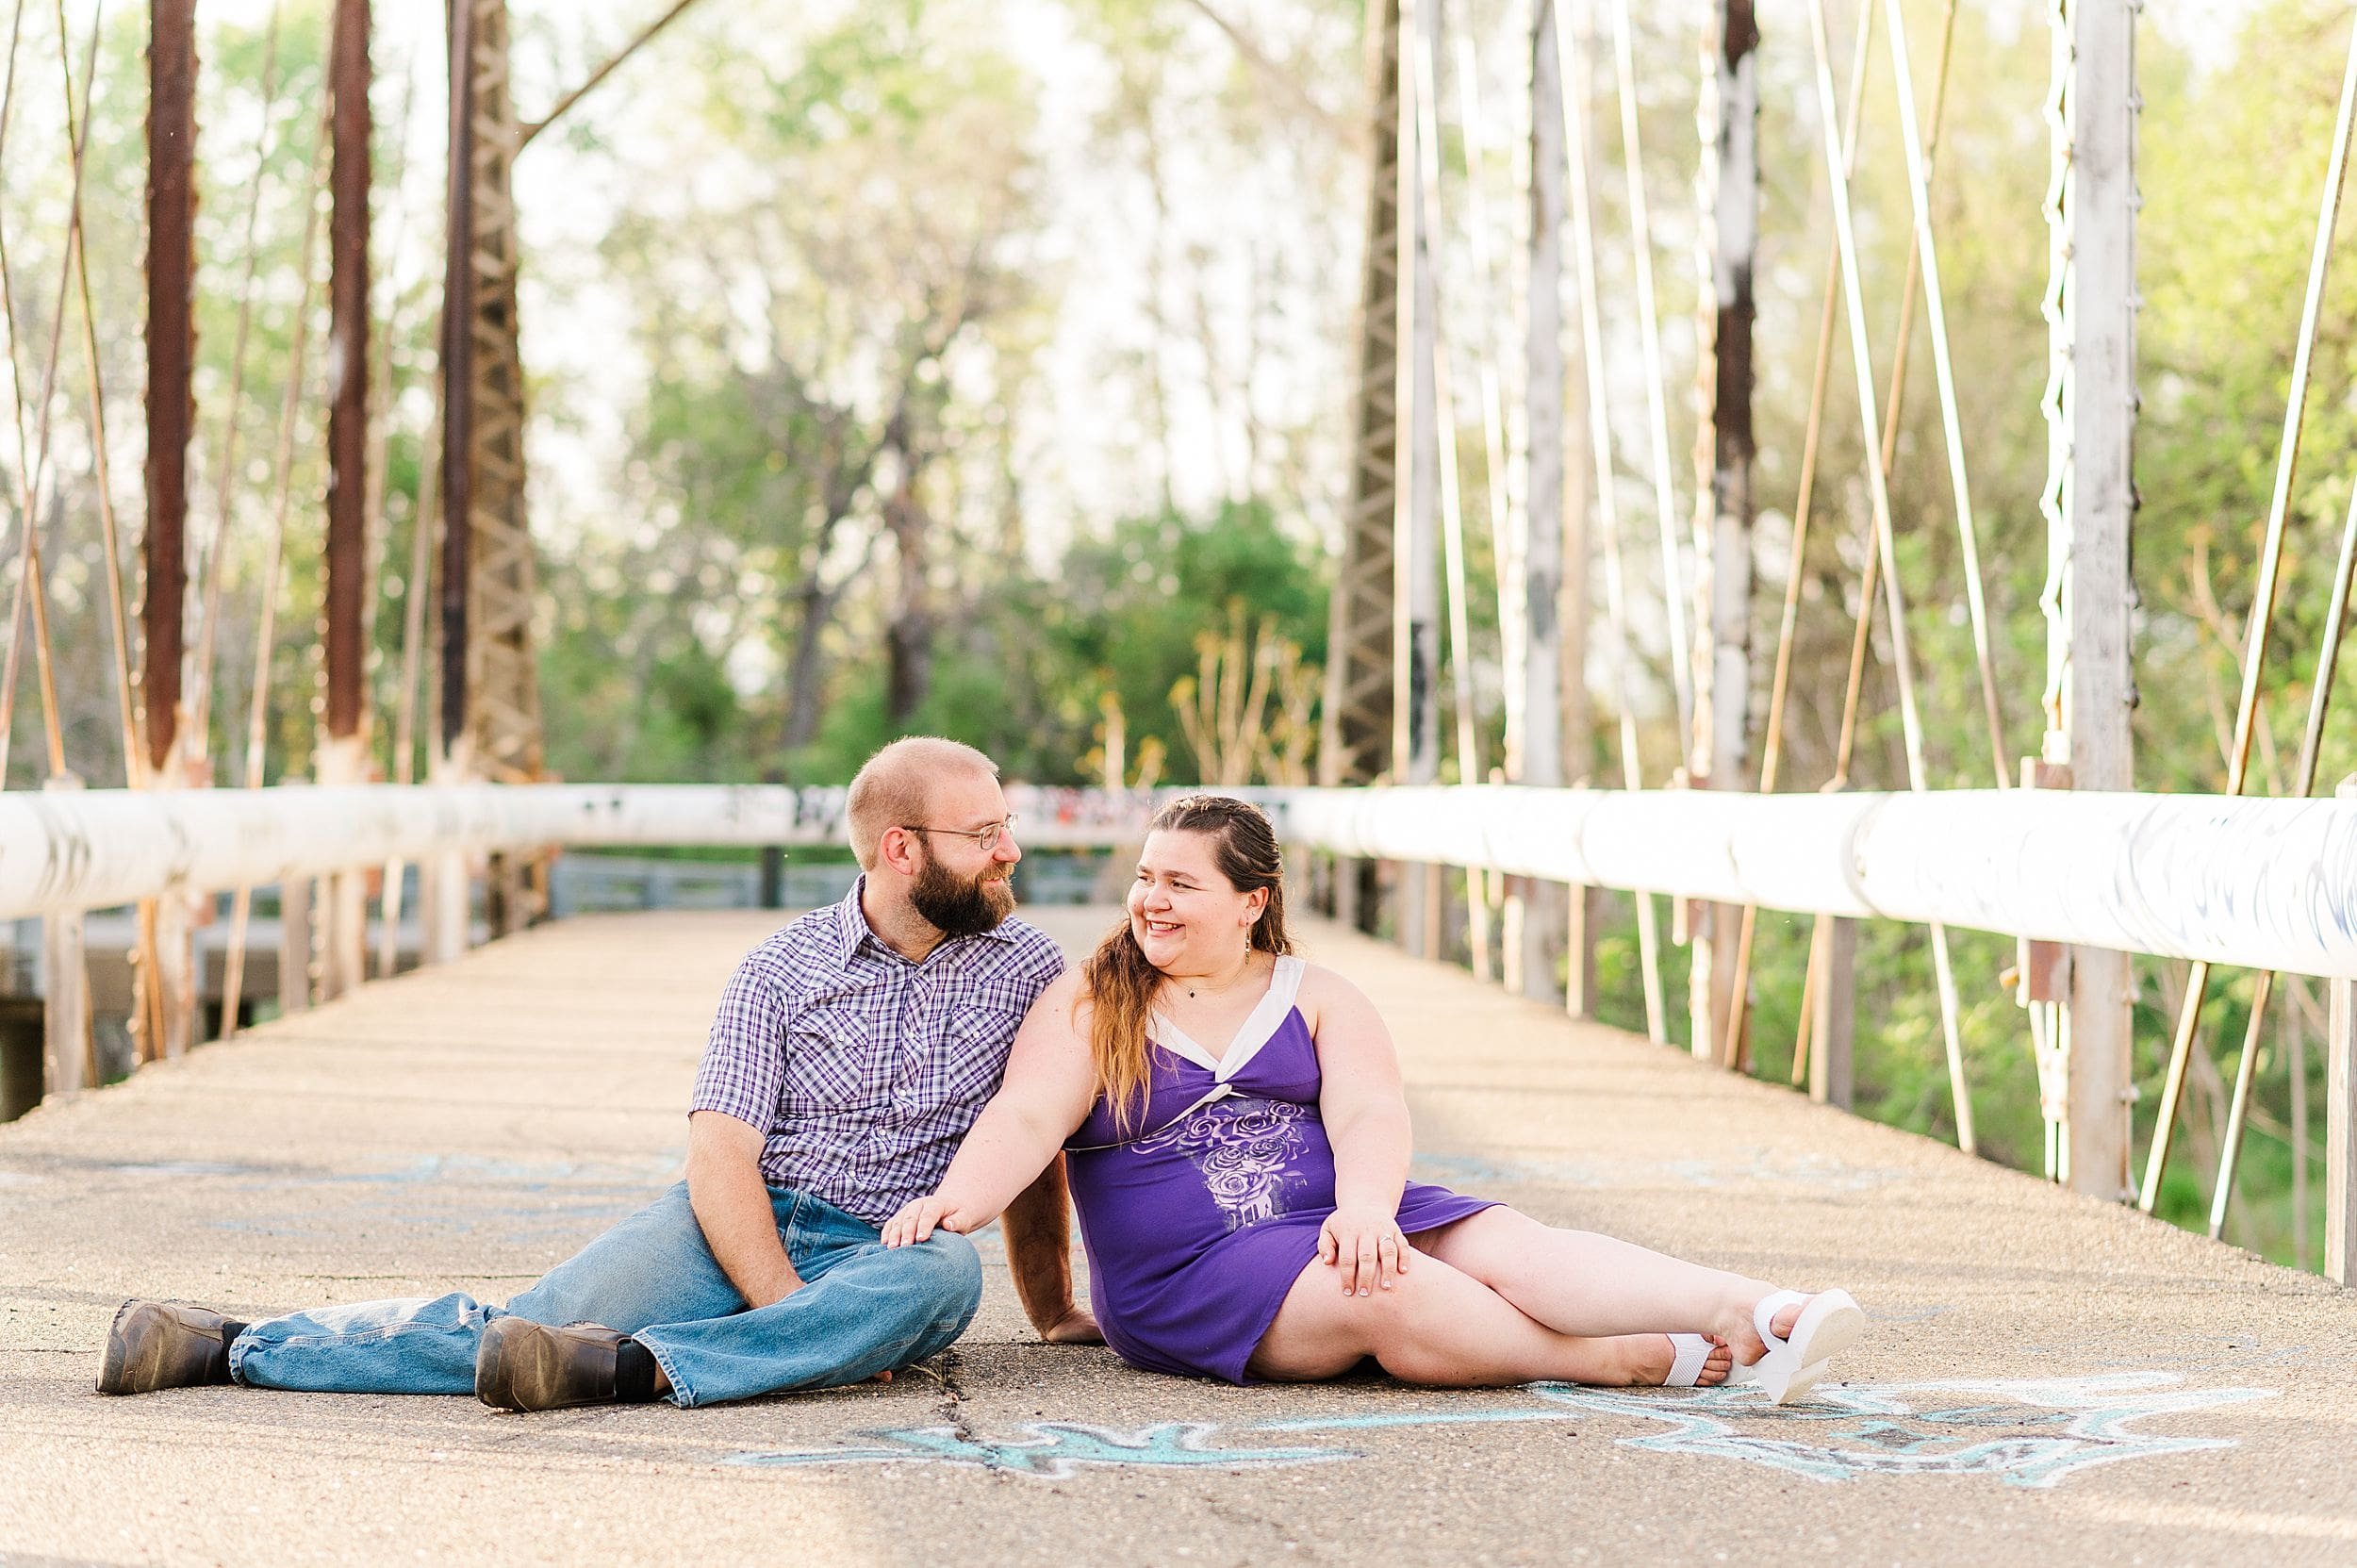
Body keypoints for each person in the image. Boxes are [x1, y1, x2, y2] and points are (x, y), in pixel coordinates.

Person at [98, 737, 1100, 1411]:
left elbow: (1035, 1141)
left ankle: (626, 1370)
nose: (1009, 849)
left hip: (890, 1248)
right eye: (983, 835)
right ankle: (225, 1346)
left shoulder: (1028, 969)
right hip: (739, 1221)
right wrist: (788, 1310)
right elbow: (719, 1160)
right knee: (516, 1334)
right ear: (900, 848)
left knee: (942, 1273)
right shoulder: (780, 970)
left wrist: (1052, 1306)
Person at [884, 794, 1866, 1402]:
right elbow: (1023, 1119)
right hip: (1193, 1272)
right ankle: (1611, 1358)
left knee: (1506, 1245)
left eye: (1181, 883)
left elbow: (1369, 1114)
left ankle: (1760, 1309)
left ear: (1251, 901)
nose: (1150, 900)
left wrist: (1362, 1207)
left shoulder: (1316, 995)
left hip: (1341, 1212)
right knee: (1386, 1288)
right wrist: (954, 1205)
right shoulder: (1092, 1001)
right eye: (1145, 878)